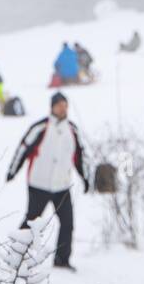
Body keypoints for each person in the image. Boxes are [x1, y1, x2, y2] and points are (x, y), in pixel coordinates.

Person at [6, 92, 90, 270]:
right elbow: (23, 149)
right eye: (59, 105)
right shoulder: (41, 127)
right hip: (39, 184)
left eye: (65, 105)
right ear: (52, 107)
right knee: (31, 222)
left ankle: (62, 260)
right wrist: (12, 171)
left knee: (67, 224)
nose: (63, 108)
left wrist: (86, 177)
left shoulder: (72, 130)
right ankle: (15, 254)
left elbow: (80, 156)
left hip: (62, 185)